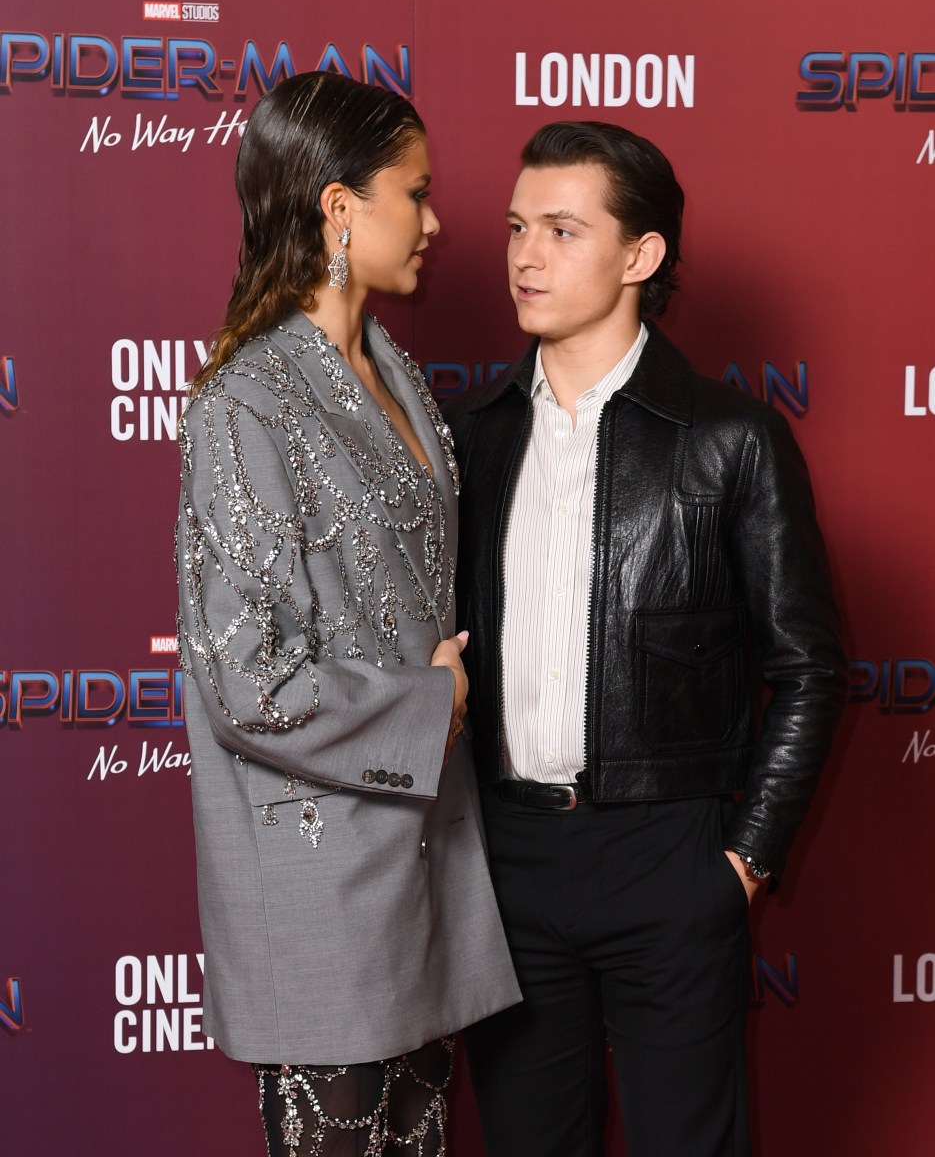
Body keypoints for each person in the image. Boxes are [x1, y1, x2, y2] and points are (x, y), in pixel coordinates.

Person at [443, 121, 848, 1157]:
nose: (525, 255)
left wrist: (741, 861)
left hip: (668, 859)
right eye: (516, 226)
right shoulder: (469, 438)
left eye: (563, 230)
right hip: (508, 864)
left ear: (640, 256)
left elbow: (805, 668)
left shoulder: (729, 440)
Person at [176, 71, 519, 1157]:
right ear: (337, 208)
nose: (435, 222)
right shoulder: (245, 403)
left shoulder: (395, 374)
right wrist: (434, 704)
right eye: (411, 195)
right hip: (320, 882)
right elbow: (245, 684)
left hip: (425, 867)